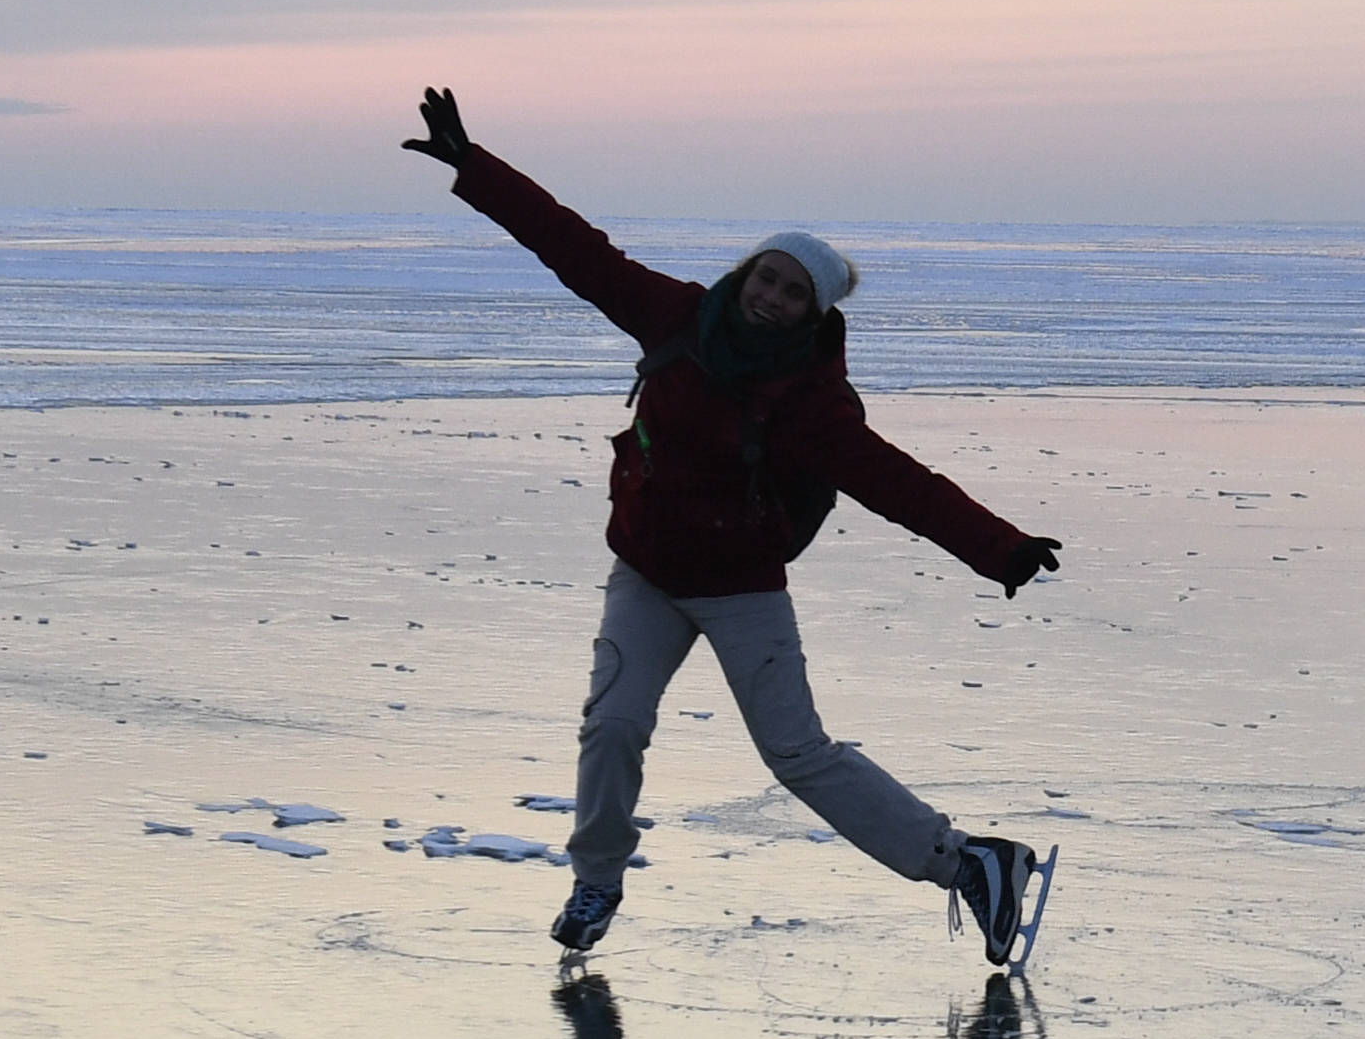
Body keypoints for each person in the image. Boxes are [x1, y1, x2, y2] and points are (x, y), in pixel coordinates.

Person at [402, 88, 1061, 961]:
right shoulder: (675, 317)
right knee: (612, 726)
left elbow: (905, 485)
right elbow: (571, 246)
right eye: (767, 277)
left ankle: (969, 862)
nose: (771, 297)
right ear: (746, 274)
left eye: (793, 293)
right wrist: (473, 166)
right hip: (646, 570)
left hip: (743, 588)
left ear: (812, 313)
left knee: (797, 752)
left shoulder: (815, 408)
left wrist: (998, 547)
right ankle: (596, 879)